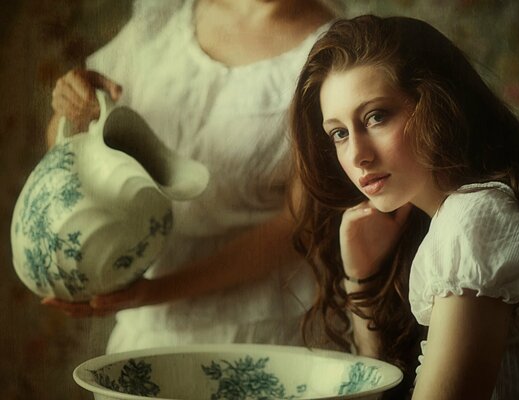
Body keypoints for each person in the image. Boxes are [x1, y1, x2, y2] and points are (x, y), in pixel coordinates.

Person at [290, 15, 519, 399]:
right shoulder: (453, 218)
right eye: (339, 133)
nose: (357, 155)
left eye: (376, 116)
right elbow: (377, 390)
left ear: (436, 103)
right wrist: (362, 279)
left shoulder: (473, 220)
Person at [42, 0, 336, 353]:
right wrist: (71, 107)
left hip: (264, 324)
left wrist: (156, 291)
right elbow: (71, 149)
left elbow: (300, 222)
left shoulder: (333, 51)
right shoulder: (163, 19)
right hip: (148, 320)